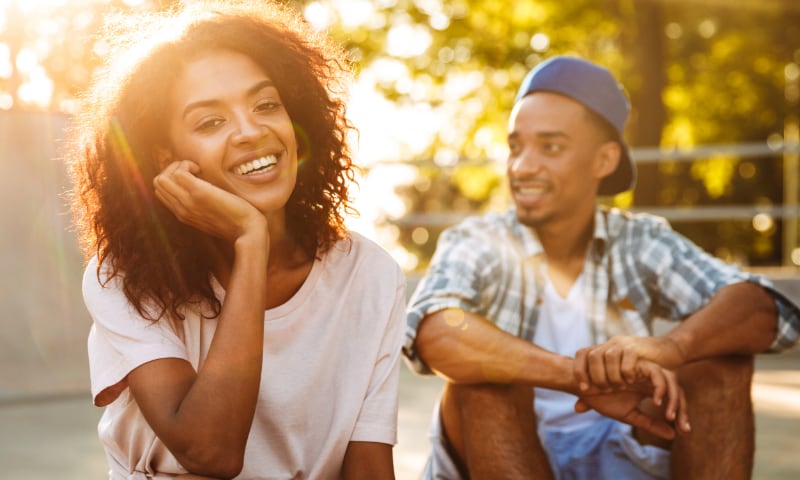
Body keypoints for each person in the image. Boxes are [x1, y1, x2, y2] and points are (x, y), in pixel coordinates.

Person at [404, 55, 800, 479]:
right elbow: (435, 329)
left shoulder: (638, 240)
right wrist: (577, 376)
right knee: (483, 388)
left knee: (723, 364)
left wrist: (674, 348)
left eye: (550, 147)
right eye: (515, 147)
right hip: (504, 452)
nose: (521, 167)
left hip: (620, 447)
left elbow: (765, 310)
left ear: (604, 160)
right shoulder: (478, 240)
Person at [65, 1, 405, 478]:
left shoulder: (369, 275)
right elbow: (210, 452)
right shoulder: (121, 278)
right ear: (165, 156)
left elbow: (368, 467)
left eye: (267, 105)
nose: (251, 131)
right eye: (211, 122)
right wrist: (250, 240)